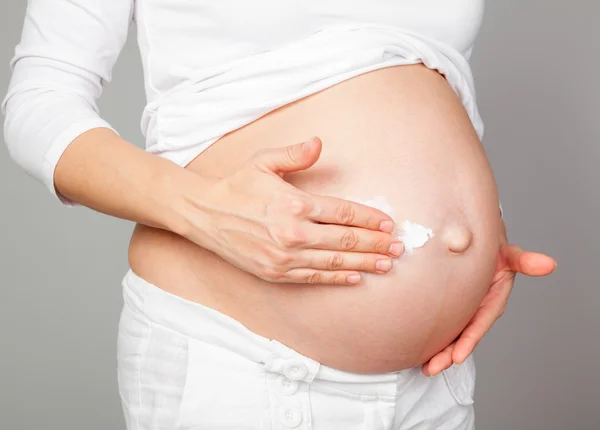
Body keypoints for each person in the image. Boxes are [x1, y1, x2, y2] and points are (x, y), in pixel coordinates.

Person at [2, 1, 556, 428]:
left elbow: (430, 70)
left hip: (432, 382)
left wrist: (478, 234)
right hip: (247, 364)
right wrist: (205, 211)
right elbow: (39, 101)